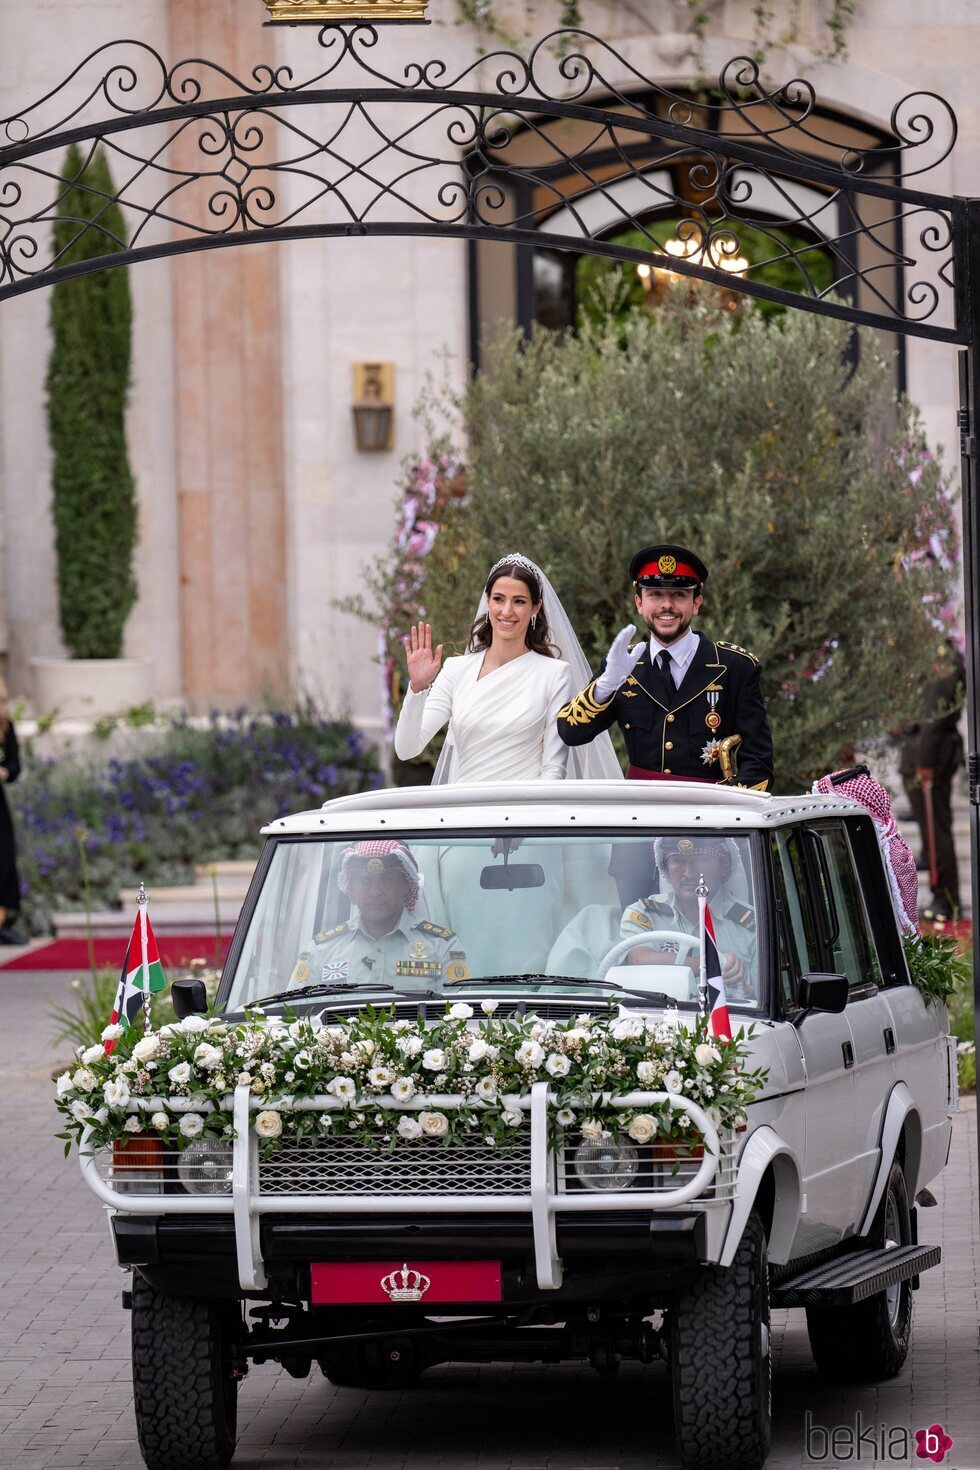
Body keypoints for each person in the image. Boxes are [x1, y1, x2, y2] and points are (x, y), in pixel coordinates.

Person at [556, 544, 774, 790]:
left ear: (696, 603)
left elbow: (758, 764)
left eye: (679, 595)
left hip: (712, 817)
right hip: (642, 815)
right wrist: (604, 686)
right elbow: (570, 733)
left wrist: (725, 814)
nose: (666, 605)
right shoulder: (623, 666)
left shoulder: (735, 667)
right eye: (655, 595)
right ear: (639, 603)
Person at [394, 553, 618, 783]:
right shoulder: (455, 670)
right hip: (462, 813)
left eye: (519, 601)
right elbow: (406, 749)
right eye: (499, 599)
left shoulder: (555, 674)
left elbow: (553, 769)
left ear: (535, 607)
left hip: (522, 813)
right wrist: (418, 687)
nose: (507, 611)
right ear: (488, 601)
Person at [289, 840, 470, 992]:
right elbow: (297, 1018)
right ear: (350, 887)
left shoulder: (442, 947)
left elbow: (460, 1018)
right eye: (365, 881)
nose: (375, 892)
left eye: (386, 880)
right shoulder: (323, 950)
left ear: (406, 885)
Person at [619, 836, 757, 1000]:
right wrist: (714, 964)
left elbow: (769, 1000)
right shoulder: (644, 912)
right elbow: (638, 959)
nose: (689, 872)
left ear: (723, 866)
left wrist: (746, 983)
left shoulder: (755, 925)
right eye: (677, 860)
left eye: (700, 859)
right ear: (666, 868)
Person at [899, 637, 965, 920]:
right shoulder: (925, 647)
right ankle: (941, 895)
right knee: (930, 832)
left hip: (931, 754)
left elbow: (935, 715)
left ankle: (945, 900)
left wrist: (925, 760)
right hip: (918, 750)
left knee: (937, 832)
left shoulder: (940, 652)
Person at [0, 680, 22, 944]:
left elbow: (15, 766)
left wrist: (5, 772)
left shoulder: (5, 728)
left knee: (4, 858)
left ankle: (2, 921)